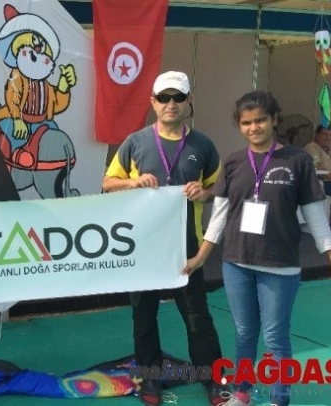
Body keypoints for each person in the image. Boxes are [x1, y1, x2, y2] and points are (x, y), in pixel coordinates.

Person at [183, 91, 331, 406]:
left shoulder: (298, 160)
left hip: (280, 266)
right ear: (239, 125)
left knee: (275, 338)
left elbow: (315, 216)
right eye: (246, 122)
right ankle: (242, 393)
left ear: (274, 119)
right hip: (236, 263)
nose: (253, 127)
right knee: (244, 332)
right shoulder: (233, 162)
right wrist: (201, 256)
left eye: (260, 120)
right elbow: (219, 216)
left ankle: (279, 399)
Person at [102, 71, 226, 406]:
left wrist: (204, 193)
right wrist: (132, 182)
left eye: (178, 97)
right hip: (141, 247)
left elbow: (220, 189)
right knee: (143, 318)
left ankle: (212, 379)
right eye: (164, 98)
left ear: (188, 102)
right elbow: (108, 184)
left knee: (197, 318)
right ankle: (150, 378)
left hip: (186, 248)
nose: (171, 103)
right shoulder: (135, 142)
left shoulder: (203, 145)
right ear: (153, 103)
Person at [302, 124, 331, 231]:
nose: (328, 138)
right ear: (316, 134)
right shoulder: (312, 147)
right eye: (324, 134)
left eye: (330, 135)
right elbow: (321, 171)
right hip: (325, 182)